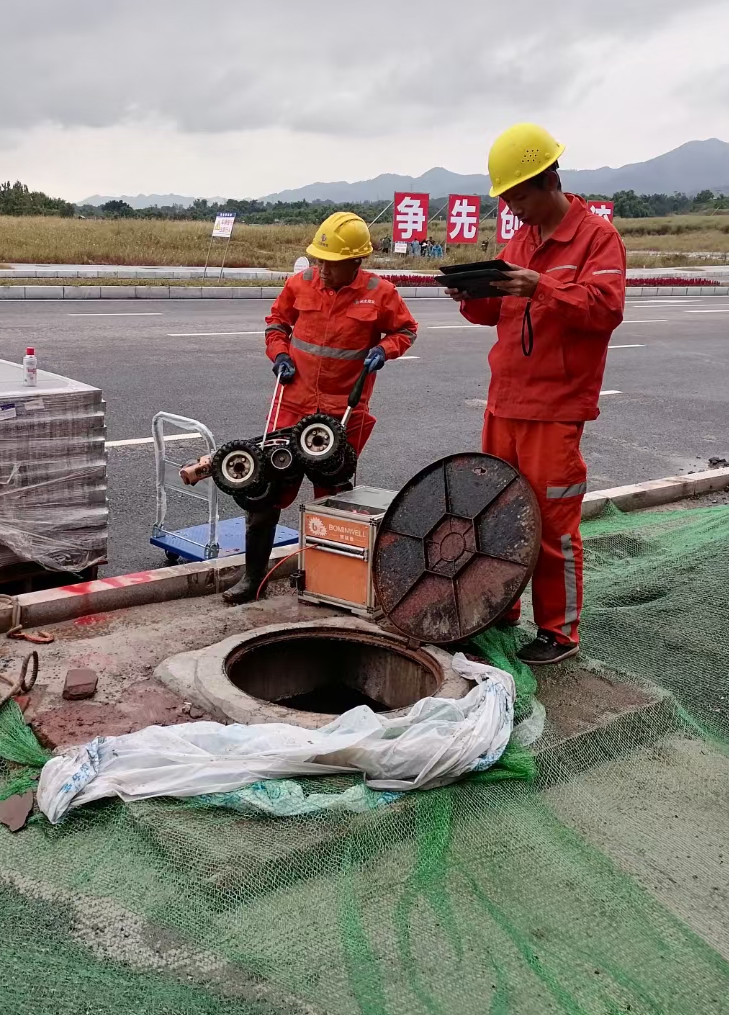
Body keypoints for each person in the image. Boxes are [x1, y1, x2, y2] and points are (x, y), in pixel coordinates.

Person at [449, 123, 625, 665]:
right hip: (504, 402)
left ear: (549, 180)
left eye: (519, 197)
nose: (514, 209)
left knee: (552, 525)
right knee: (497, 516)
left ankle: (559, 632)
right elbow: (496, 314)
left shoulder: (597, 239)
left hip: (555, 410)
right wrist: (469, 295)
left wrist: (541, 285)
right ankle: (501, 608)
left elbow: (605, 310)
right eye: (506, 200)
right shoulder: (520, 241)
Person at [223, 211, 418, 604]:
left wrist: (385, 348)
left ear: (356, 262)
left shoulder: (381, 293)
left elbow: (406, 330)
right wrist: (278, 353)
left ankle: (328, 582)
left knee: (333, 501)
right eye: (319, 260)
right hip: (291, 405)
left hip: (342, 413)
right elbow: (276, 324)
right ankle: (253, 579)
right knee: (265, 491)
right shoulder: (300, 284)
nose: (323, 270)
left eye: (332, 264)